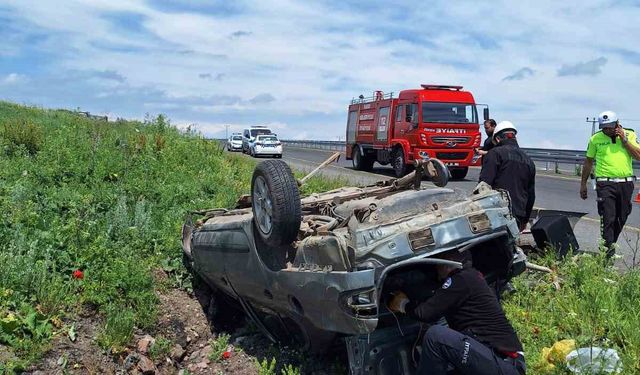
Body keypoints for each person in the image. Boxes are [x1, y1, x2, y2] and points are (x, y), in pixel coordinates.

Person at [388, 251, 526, 375]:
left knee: (436, 336)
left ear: (447, 264)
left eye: (438, 263)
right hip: (495, 360)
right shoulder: (471, 277)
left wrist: (403, 304)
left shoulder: (461, 278)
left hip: (504, 363)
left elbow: (424, 313)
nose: (436, 269)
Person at [580, 111, 640, 258]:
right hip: (604, 183)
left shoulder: (630, 134)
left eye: (610, 127)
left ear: (617, 124)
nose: (607, 130)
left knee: (622, 216)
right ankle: (607, 254)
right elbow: (588, 161)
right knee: (608, 218)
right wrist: (583, 184)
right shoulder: (595, 139)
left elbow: (638, 156)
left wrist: (624, 140)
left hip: (625, 183)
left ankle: (611, 244)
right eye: (604, 127)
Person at [479, 121, 536, 231]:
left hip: (496, 213)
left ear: (498, 139)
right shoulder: (529, 161)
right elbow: (531, 195)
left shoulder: (494, 154)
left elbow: (483, 186)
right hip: (518, 215)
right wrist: (524, 220)